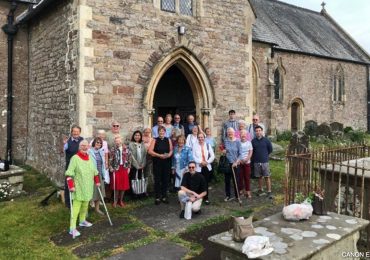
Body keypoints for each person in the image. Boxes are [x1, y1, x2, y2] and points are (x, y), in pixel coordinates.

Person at [65, 140, 100, 238]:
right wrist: (71, 186)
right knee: (76, 208)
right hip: (78, 187)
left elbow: (94, 171)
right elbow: (69, 174)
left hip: (88, 187)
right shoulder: (75, 158)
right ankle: (72, 228)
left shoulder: (89, 158)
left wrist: (97, 181)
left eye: (86, 145)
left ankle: (82, 221)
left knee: (85, 205)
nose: (84, 147)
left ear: (88, 147)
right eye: (82, 145)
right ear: (79, 147)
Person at [148, 125, 173, 205]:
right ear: (158, 132)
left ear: (165, 132)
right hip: (158, 162)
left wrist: (169, 154)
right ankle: (158, 197)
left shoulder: (168, 139)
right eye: (160, 131)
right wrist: (159, 155)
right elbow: (150, 151)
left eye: (163, 131)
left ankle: (164, 196)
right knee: (158, 180)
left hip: (166, 162)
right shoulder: (155, 140)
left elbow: (171, 150)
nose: (161, 132)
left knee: (165, 179)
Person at [63, 125, 84, 208]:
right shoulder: (67, 142)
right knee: (69, 184)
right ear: (72, 132)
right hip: (70, 167)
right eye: (74, 131)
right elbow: (63, 150)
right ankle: (68, 203)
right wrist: (64, 145)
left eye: (77, 131)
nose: (75, 133)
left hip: (80, 166)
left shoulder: (82, 140)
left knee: (78, 184)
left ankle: (77, 201)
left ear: (79, 132)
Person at [88, 137, 109, 215]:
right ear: (94, 143)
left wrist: (104, 174)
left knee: (99, 192)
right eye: (97, 142)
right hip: (92, 175)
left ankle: (97, 209)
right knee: (91, 192)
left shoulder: (101, 152)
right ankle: (85, 210)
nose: (99, 144)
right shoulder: (89, 151)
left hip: (100, 174)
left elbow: (103, 164)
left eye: (100, 143)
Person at [192, 133, 215, 205]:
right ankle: (198, 197)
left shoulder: (208, 145)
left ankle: (206, 198)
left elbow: (212, 156)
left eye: (202, 137)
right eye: (199, 137)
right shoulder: (195, 146)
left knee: (205, 183)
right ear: (197, 138)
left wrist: (206, 162)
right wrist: (201, 162)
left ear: (204, 138)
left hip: (207, 167)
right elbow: (193, 156)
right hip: (199, 167)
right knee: (198, 183)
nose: (200, 138)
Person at [220, 127, 242, 202]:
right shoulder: (226, 140)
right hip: (227, 164)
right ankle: (228, 195)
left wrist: (236, 162)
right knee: (227, 181)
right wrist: (223, 151)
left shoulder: (238, 141)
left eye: (231, 132)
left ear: (234, 133)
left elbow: (241, 154)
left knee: (236, 180)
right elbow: (223, 149)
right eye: (228, 132)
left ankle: (237, 196)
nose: (230, 133)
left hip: (235, 164)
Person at [252, 125, 273, 199]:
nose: (258, 132)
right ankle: (260, 189)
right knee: (259, 177)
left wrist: (265, 156)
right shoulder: (253, 141)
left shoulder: (266, 140)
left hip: (265, 161)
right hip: (256, 161)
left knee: (267, 176)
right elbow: (252, 151)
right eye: (256, 131)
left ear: (261, 131)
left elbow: (270, 149)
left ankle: (269, 191)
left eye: (259, 131)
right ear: (255, 132)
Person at [109, 135, 131, 208]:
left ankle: (120, 201)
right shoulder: (113, 149)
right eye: (116, 141)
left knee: (123, 186)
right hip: (116, 168)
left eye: (119, 140)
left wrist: (129, 167)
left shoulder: (126, 148)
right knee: (116, 186)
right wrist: (110, 167)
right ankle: (115, 201)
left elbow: (129, 158)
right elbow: (110, 159)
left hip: (124, 168)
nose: (117, 142)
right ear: (115, 142)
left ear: (122, 141)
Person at [129, 130, 147, 196]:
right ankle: (134, 193)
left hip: (141, 165)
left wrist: (142, 164)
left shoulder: (143, 144)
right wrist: (136, 165)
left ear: (140, 136)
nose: (137, 136)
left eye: (138, 135)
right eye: (136, 135)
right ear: (133, 136)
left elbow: (145, 154)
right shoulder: (131, 144)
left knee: (140, 178)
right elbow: (131, 156)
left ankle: (141, 192)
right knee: (133, 179)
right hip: (134, 165)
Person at [239, 130, 253, 198]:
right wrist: (240, 160)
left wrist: (247, 159)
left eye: (244, 134)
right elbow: (237, 152)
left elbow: (250, 152)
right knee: (240, 177)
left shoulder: (249, 143)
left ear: (246, 135)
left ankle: (248, 191)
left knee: (247, 177)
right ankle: (241, 190)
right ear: (240, 135)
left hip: (247, 162)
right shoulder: (238, 143)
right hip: (240, 162)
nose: (243, 135)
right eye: (242, 134)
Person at [142, 127, 154, 192]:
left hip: (149, 158)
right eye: (146, 132)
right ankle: (142, 189)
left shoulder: (152, 139)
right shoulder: (141, 138)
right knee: (142, 173)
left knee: (149, 173)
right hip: (142, 157)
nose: (147, 133)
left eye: (148, 132)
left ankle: (149, 189)